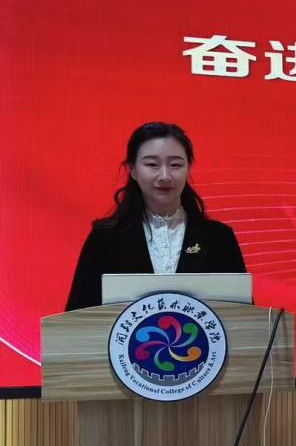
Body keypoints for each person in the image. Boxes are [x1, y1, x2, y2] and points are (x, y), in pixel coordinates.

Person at [65, 122, 247, 310]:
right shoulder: (104, 239)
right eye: (152, 164)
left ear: (188, 168)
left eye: (175, 165)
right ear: (132, 170)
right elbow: (77, 317)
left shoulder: (219, 238)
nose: (165, 176)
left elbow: (244, 318)